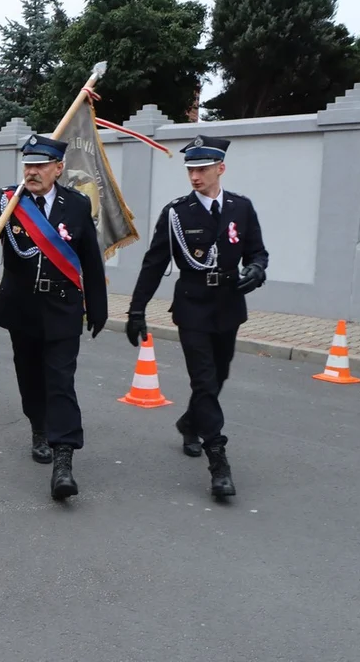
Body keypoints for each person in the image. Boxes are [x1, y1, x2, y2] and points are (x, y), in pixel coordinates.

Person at [0, 134, 108, 501]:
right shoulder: (11, 200)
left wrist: (99, 305)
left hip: (62, 308)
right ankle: (39, 428)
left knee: (61, 381)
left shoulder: (75, 205)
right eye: (28, 164)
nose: (32, 171)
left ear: (58, 169)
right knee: (30, 377)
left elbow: (90, 257)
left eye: (41, 165)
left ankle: (64, 458)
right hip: (22, 308)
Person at [125, 135, 268, 499]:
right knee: (204, 380)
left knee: (219, 375)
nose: (195, 177)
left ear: (220, 168)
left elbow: (257, 253)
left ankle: (190, 422)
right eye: (190, 170)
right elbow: (155, 263)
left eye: (202, 169)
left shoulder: (241, 207)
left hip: (229, 306)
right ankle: (218, 461)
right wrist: (137, 309)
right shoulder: (177, 213)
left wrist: (256, 271)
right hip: (192, 307)